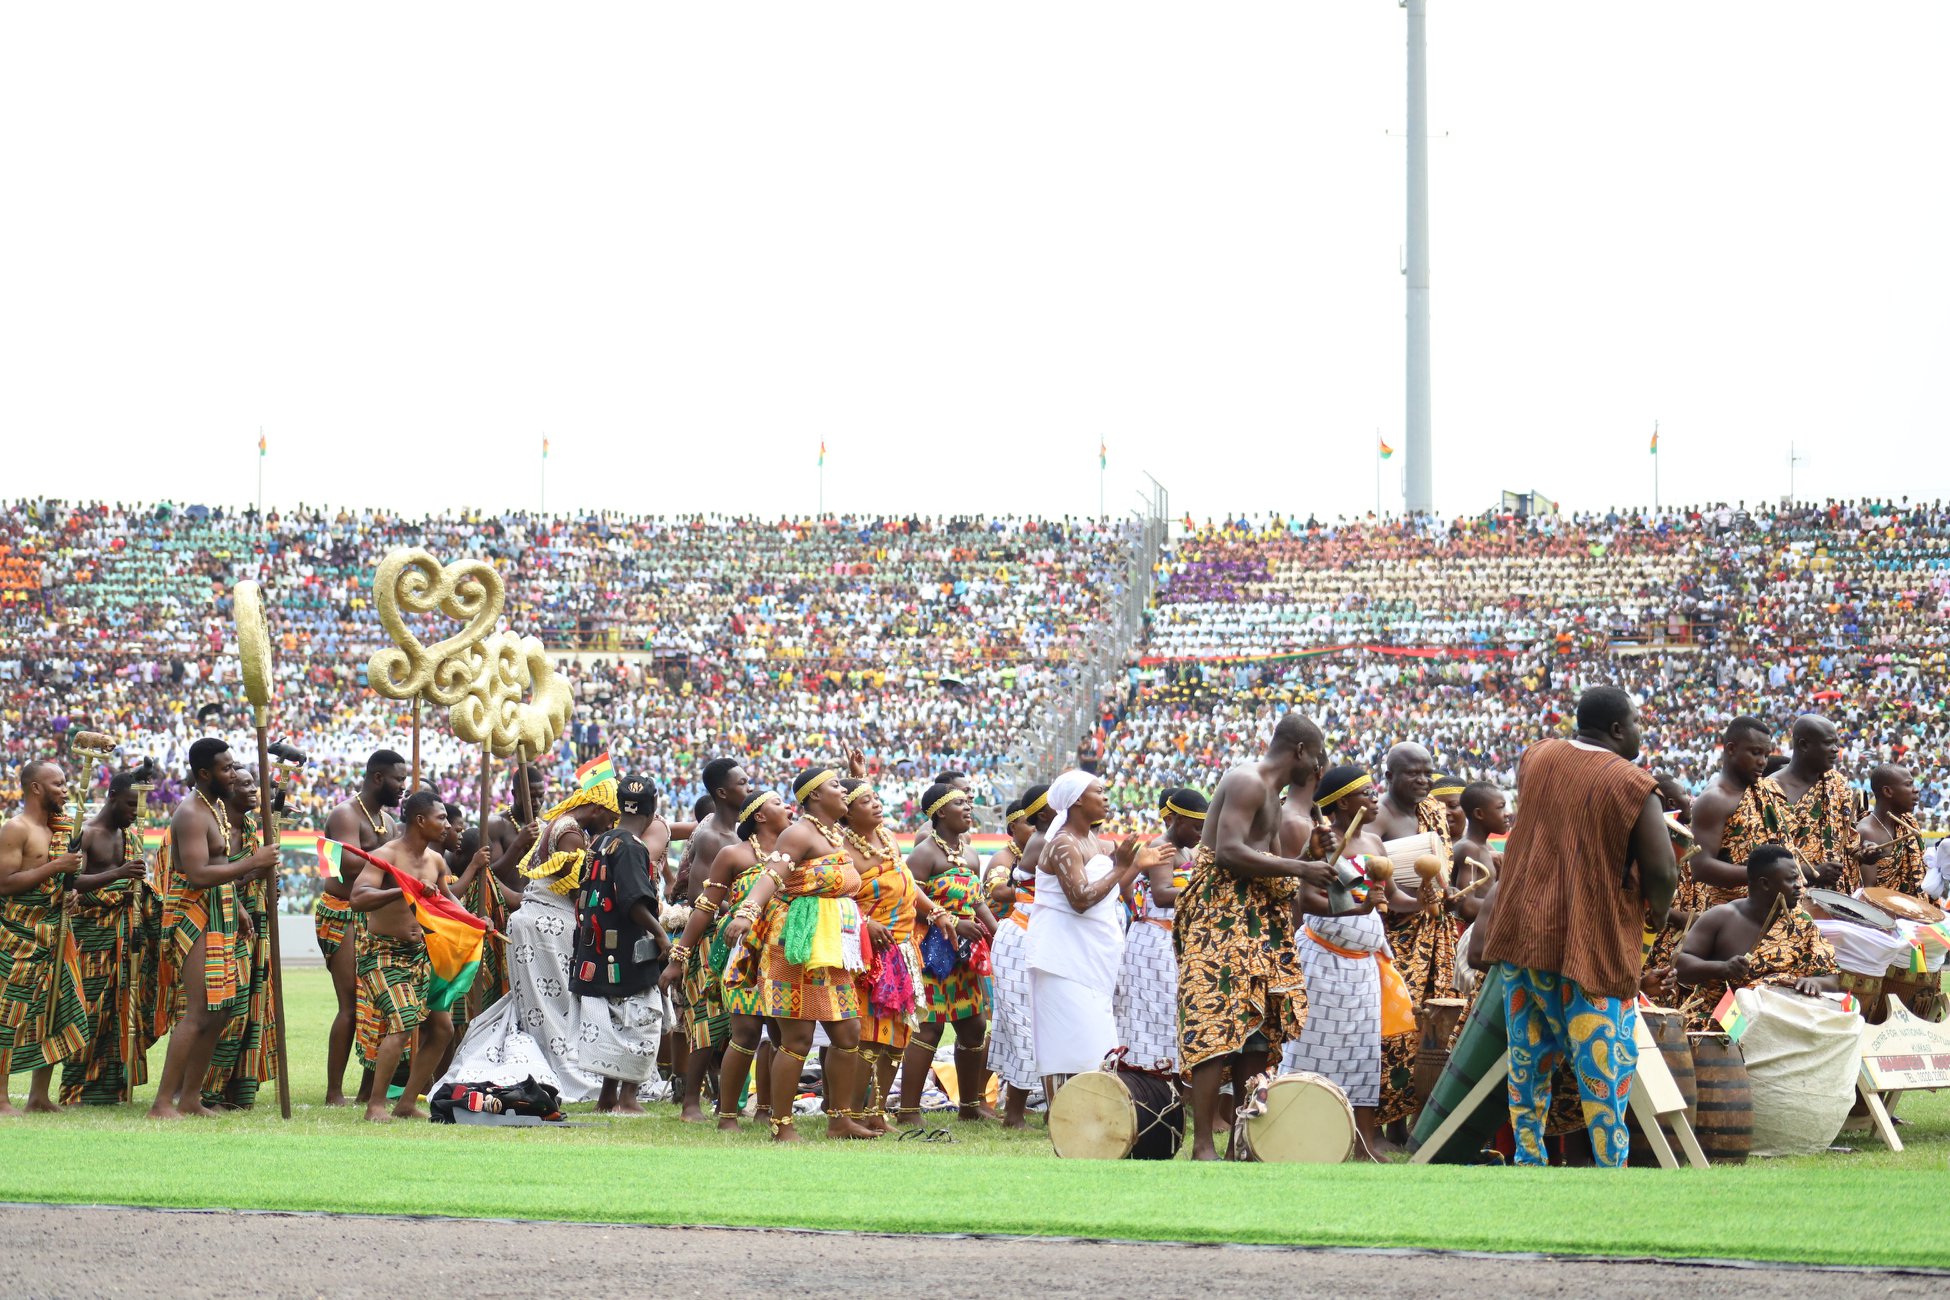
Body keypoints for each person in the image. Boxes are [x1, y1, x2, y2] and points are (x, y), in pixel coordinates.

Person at [1479, 685, 1677, 1168]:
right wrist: (1660, 910)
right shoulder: (1633, 783)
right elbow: (1663, 872)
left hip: (1524, 933)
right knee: (1603, 1067)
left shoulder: (1536, 757)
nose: (1639, 732)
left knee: (1528, 1061)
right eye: (1635, 723)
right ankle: (1611, 1166)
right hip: (1593, 942)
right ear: (1616, 728)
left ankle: (1528, 1158)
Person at [1175, 712, 1332, 1160]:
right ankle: (1202, 1145)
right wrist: (1301, 867)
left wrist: (1309, 855)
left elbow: (1277, 868)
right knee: (1215, 1023)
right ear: (1300, 751)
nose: (1318, 768)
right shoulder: (1247, 780)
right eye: (1317, 756)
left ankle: (1238, 1145)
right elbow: (1229, 852)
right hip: (1218, 918)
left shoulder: (1275, 799)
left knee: (1255, 1028)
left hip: (1257, 923)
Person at [438, 771, 621, 1103]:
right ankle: (557, 1070)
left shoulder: (563, 825)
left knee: (539, 1005)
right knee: (555, 1007)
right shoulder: (571, 835)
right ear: (595, 808)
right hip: (546, 927)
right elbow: (578, 887)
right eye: (611, 816)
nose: (611, 824)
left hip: (537, 924)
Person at [719, 766, 877, 1142]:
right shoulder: (799, 833)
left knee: (849, 1032)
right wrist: (746, 912)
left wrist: (859, 776)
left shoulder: (835, 833)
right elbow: (770, 876)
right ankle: (782, 1126)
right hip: (795, 945)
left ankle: (840, 1120)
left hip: (832, 947)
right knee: (797, 1040)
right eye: (836, 786)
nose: (844, 792)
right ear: (814, 796)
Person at [147, 739, 279, 1120]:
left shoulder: (214, 808)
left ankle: (190, 1099)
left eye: (234, 766)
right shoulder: (191, 813)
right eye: (226, 769)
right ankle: (161, 1103)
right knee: (200, 1010)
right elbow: (198, 872)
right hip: (194, 916)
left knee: (221, 1010)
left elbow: (217, 865)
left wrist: (237, 908)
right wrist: (253, 862)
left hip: (221, 913)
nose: (234, 774)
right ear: (204, 774)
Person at [662, 789, 794, 1131]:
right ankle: (727, 1116)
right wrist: (679, 958)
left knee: (781, 1035)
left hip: (784, 954)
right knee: (746, 1033)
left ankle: (770, 1110)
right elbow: (704, 907)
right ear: (760, 816)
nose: (789, 807)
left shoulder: (794, 854)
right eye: (779, 803)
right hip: (744, 956)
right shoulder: (733, 854)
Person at [1282, 765, 1396, 1159]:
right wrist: (1360, 907)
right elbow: (1308, 901)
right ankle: (1291, 1133)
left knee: (1365, 1052)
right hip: (1323, 962)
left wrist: (1430, 900)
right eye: (1367, 792)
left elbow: (1391, 899)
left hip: (1364, 966)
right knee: (1311, 1047)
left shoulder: (1377, 844)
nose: (1376, 797)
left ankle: (1361, 1143)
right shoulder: (1328, 845)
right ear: (1344, 802)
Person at [1026, 772, 1153, 1103]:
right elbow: (1081, 899)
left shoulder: (1097, 843)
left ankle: (1091, 1111)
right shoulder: (1062, 843)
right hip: (1062, 955)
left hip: (1093, 955)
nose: (1107, 798)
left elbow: (1113, 885)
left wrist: (1136, 865)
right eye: (1100, 791)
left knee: (1095, 1038)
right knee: (1062, 1040)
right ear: (1078, 799)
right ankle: (1060, 1116)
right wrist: (1122, 865)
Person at [350, 791, 469, 1122]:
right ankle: (375, 1105)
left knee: (443, 1028)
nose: (447, 825)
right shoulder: (385, 855)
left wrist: (475, 922)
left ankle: (404, 1104)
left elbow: (447, 903)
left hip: (421, 954)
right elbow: (358, 897)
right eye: (441, 818)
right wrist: (403, 889)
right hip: (382, 953)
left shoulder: (436, 861)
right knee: (402, 1023)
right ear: (420, 821)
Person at [60, 766, 161, 1105]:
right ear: (113, 797)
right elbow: (70, 884)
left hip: (126, 937)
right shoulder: (86, 833)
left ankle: (111, 1089)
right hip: (92, 939)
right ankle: (75, 1089)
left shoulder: (131, 835)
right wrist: (119, 873)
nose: (136, 813)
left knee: (123, 1011)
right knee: (89, 1011)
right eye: (132, 805)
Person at [899, 783, 997, 1124]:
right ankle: (909, 1110)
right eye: (960, 803)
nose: (968, 808)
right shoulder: (924, 854)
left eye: (969, 803)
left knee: (973, 1027)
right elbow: (909, 901)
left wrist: (994, 931)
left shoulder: (969, 853)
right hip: (933, 954)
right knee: (930, 1029)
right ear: (940, 812)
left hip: (966, 955)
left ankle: (970, 1106)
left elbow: (977, 899)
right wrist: (953, 921)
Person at [570, 775, 669, 1115]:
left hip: (596, 948)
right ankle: (627, 1099)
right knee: (641, 1021)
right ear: (653, 811)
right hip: (626, 951)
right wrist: (660, 933)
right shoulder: (631, 847)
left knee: (612, 1022)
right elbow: (634, 901)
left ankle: (606, 1097)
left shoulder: (600, 840)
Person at [1373, 741, 1457, 1131]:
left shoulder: (1434, 812)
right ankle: (1381, 1120)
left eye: (1428, 772)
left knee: (1431, 1026)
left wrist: (1444, 895)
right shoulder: (1376, 818)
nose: (1423, 780)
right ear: (1389, 776)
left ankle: (1409, 1123)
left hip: (1436, 935)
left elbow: (1442, 875)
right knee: (1395, 1028)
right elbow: (1372, 884)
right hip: (1395, 939)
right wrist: (1414, 902)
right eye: (1413, 773)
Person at [0, 760, 90, 1113]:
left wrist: (70, 893)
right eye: (58, 784)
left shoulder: (62, 830)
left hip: (56, 934)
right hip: (19, 938)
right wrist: (55, 867)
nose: (65, 791)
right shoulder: (15, 829)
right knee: (9, 1014)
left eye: (66, 783)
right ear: (36, 788)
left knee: (54, 1012)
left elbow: (57, 883)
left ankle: (39, 1097)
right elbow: (4, 883)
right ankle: (1, 1097)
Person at [319, 749, 407, 1108]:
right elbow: (350, 867)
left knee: (378, 1005)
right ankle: (333, 1092)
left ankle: (368, 1091)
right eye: (398, 779)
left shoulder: (386, 820)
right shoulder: (344, 815)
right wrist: (394, 858)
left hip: (372, 914)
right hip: (342, 913)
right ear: (377, 778)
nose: (403, 787)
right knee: (350, 1006)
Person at [1675, 843, 1840, 1033]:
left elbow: (1833, 980)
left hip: (1781, 1023)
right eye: (1791, 879)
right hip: (1722, 1023)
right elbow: (1679, 964)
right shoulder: (1721, 917)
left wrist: (1815, 982)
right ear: (1765, 883)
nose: (1799, 885)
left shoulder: (1802, 922)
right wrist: (1722, 968)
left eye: (1798, 878)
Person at [673, 756, 752, 1124]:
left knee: (733, 1021)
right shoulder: (712, 837)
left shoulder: (739, 836)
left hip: (736, 937)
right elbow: (698, 897)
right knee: (707, 1018)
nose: (748, 787)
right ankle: (691, 1102)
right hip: (710, 939)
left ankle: (726, 1099)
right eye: (742, 782)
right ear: (722, 792)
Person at [200, 766, 277, 1109]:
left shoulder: (246, 827)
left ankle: (235, 1091)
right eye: (244, 784)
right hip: (221, 928)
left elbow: (251, 873)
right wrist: (251, 872)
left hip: (251, 929)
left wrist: (265, 881)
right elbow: (209, 879)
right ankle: (206, 1092)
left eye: (253, 784)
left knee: (249, 1013)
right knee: (228, 1012)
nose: (253, 791)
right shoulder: (216, 828)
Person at [1113, 787, 1205, 1076]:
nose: (1200, 833)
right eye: (1196, 827)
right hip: (1154, 941)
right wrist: (1206, 891)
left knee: (1172, 1012)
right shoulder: (1161, 845)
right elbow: (1164, 894)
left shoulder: (1186, 849)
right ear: (1178, 821)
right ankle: (1151, 1076)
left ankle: (1171, 1078)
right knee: (1156, 1011)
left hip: (1171, 938)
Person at [987, 784, 1051, 1129]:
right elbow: (996, 891)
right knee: (1021, 1027)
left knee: (1036, 1026)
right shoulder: (1006, 857)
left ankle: (1024, 1108)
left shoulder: (1049, 842)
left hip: (1039, 938)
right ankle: (1012, 1113)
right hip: (1018, 937)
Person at [1687, 717, 1791, 909]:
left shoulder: (1763, 788)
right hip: (1735, 914)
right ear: (1731, 749)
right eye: (1755, 753)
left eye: (1766, 755)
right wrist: (1766, 874)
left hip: (1777, 907)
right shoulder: (1715, 799)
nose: (1762, 762)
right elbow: (1701, 867)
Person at [1772, 715, 1860, 891]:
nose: (1836, 750)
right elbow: (1765, 857)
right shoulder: (1770, 790)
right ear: (1804, 745)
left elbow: (1851, 837)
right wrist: (1812, 872)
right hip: (1792, 899)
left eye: (1836, 743)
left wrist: (1864, 851)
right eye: (1828, 743)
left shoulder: (1837, 783)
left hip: (1839, 899)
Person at [1855, 765, 1921, 895]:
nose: (1916, 790)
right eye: (1908, 784)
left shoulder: (1908, 822)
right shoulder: (1867, 832)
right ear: (1888, 792)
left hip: (1913, 909)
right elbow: (1869, 894)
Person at [1449, 782, 1508, 926]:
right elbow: (1467, 907)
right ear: (1479, 814)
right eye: (1500, 807)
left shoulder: (1484, 847)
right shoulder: (1469, 848)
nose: (1507, 813)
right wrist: (1509, 905)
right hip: (1471, 933)